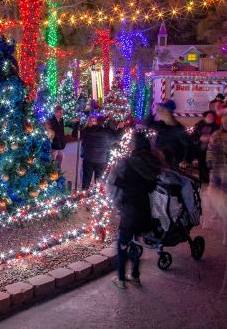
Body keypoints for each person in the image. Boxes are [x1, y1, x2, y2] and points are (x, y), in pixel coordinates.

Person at [109, 132, 162, 288]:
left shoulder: (126, 163)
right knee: (136, 241)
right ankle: (135, 275)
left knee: (123, 242)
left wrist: (117, 204)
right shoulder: (153, 164)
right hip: (145, 208)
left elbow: (113, 185)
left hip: (129, 208)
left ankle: (120, 278)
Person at [146, 100, 189, 167]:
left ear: (167, 111)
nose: (158, 111)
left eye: (161, 109)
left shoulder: (179, 129)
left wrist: (186, 160)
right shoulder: (162, 125)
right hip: (160, 161)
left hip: (172, 165)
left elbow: (189, 146)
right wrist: (151, 112)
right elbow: (148, 123)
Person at [80, 115, 116, 190]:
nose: (93, 122)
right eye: (91, 121)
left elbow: (83, 143)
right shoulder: (106, 132)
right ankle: (94, 196)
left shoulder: (86, 130)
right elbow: (115, 139)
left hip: (89, 158)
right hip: (100, 160)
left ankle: (83, 195)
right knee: (98, 181)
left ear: (96, 122)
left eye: (94, 121)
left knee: (87, 180)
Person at [189, 110, 219, 183]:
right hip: (200, 149)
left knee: (210, 167)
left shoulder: (217, 127)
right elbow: (192, 137)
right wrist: (199, 138)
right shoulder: (198, 125)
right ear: (205, 117)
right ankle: (202, 180)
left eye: (212, 117)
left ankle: (210, 181)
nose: (211, 118)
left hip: (211, 150)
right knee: (201, 165)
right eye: (209, 116)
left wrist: (211, 139)